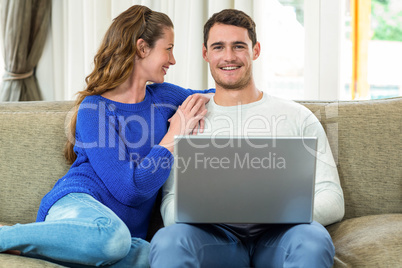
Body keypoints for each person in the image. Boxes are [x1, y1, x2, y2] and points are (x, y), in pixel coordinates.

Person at [0, 5, 214, 267]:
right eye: (168, 48)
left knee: (158, 257)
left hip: (121, 236)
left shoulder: (164, 97)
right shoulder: (95, 108)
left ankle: (56, 249)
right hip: (79, 207)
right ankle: (5, 236)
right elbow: (131, 189)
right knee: (112, 238)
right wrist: (173, 135)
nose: (173, 59)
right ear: (142, 48)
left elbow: (217, 97)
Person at [149, 9, 345, 268]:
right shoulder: (187, 120)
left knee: (313, 239)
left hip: (281, 236)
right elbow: (171, 205)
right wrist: (218, 213)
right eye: (218, 47)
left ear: (256, 50)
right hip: (215, 239)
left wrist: (272, 213)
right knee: (167, 240)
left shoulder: (297, 116)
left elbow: (332, 198)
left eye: (239, 46)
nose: (229, 57)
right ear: (206, 53)